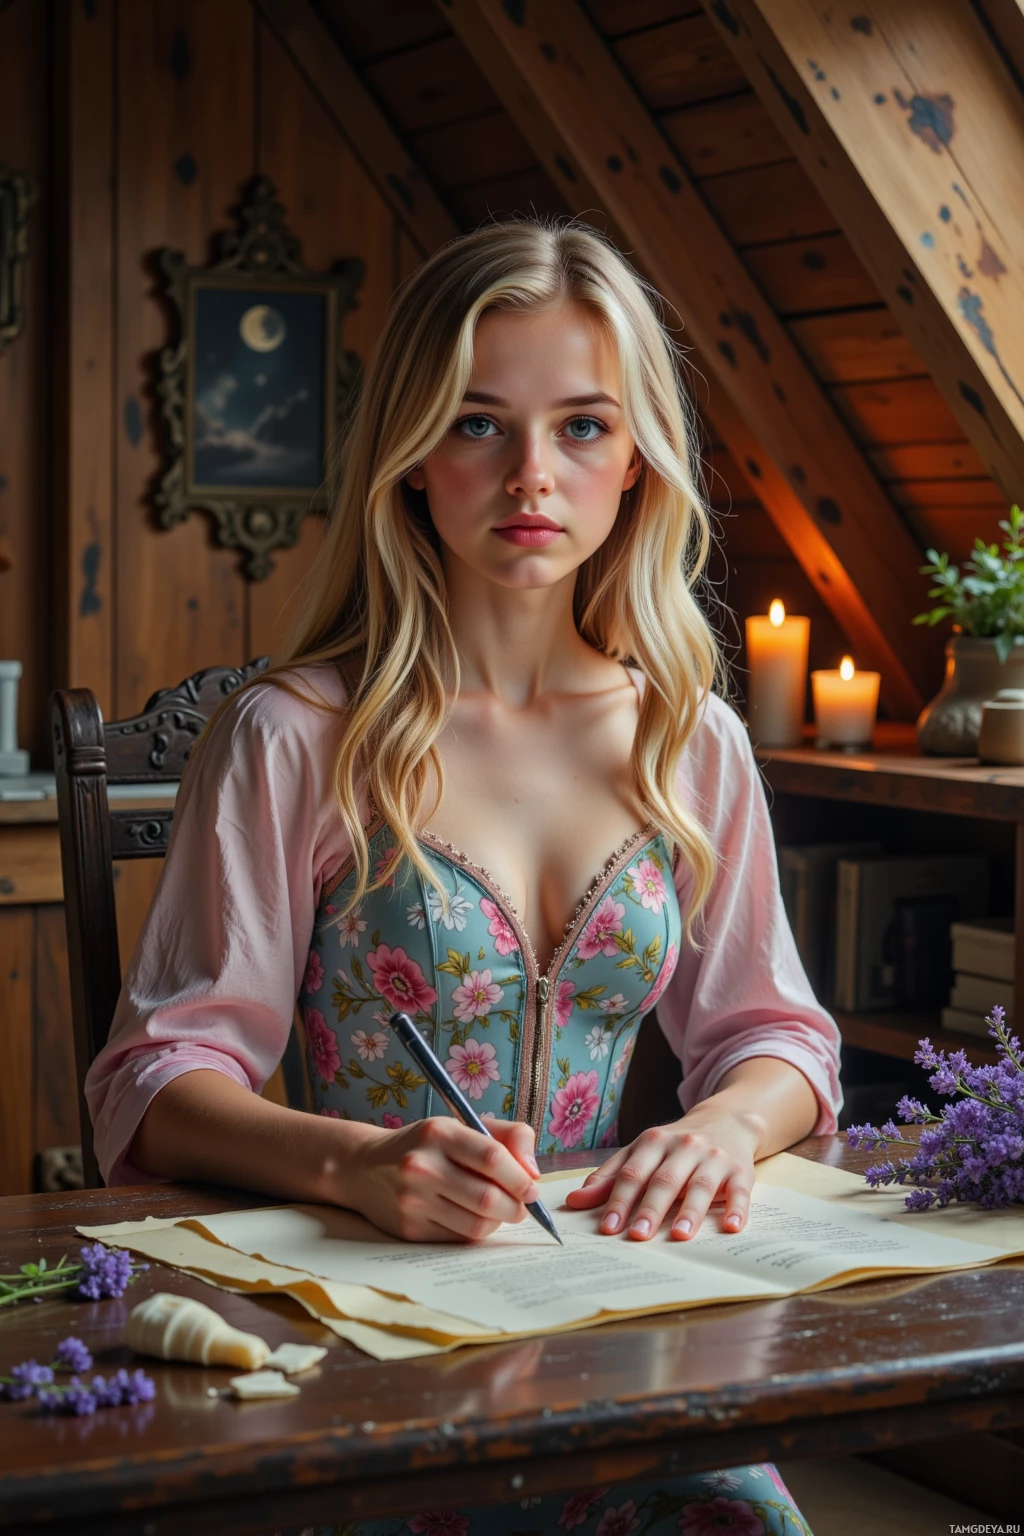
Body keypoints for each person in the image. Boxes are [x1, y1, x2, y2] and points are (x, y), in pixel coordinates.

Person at [87, 219, 840, 1534]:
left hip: (619, 1321)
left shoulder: (689, 737)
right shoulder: (296, 736)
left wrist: (724, 1126)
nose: (532, 475)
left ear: (638, 461)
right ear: (410, 453)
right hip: (360, 1327)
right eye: (479, 423)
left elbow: (777, 1037)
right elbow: (155, 1084)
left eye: (584, 426)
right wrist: (359, 1165)